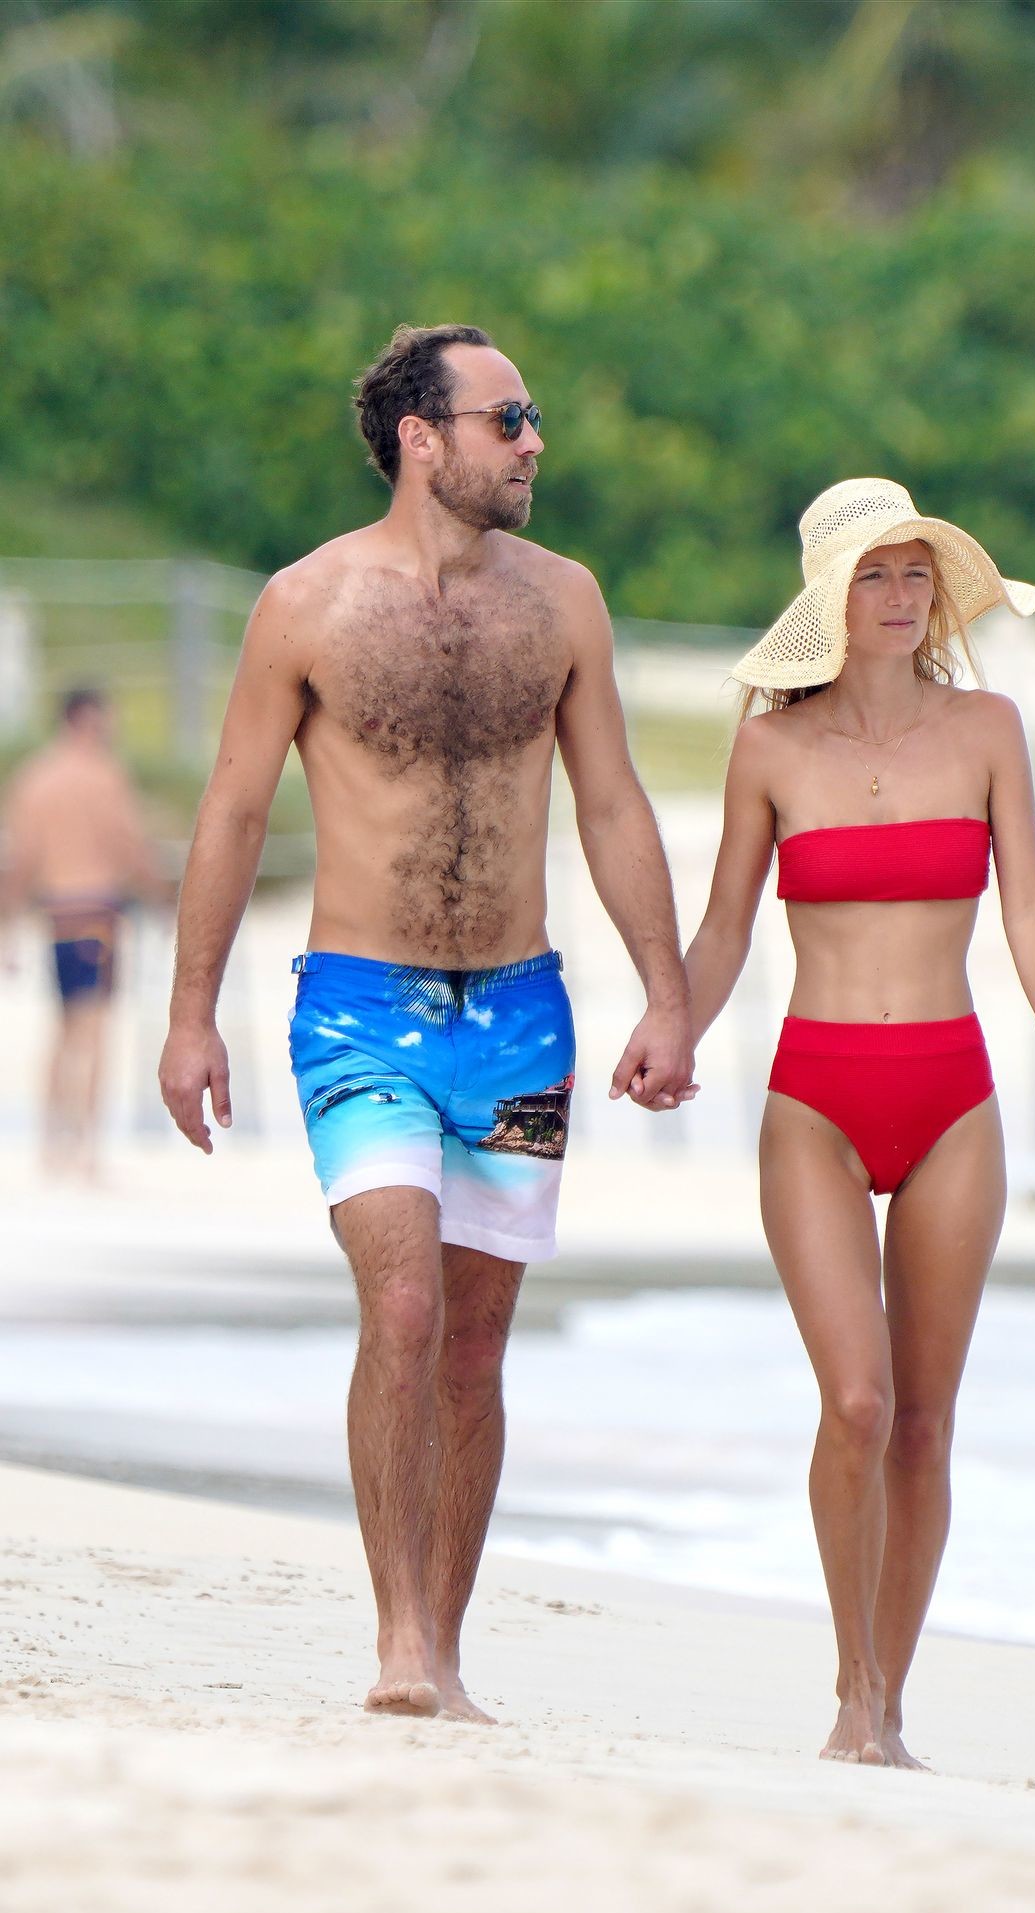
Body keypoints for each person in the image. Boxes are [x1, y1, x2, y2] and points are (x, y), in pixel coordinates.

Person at [158, 322, 695, 1722]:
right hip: (360, 1013)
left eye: (531, 419)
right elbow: (232, 808)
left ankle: (445, 1651)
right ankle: (397, 1642)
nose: (532, 443)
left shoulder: (565, 601)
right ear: (419, 437)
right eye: (506, 420)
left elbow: (611, 803)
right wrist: (190, 1014)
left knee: (473, 1345)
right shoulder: (307, 603)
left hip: (522, 1021)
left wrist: (667, 993)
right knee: (402, 1306)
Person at [683, 477, 1035, 1769]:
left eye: (917, 572)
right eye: (874, 575)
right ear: (828, 597)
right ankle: (848, 1685)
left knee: (921, 1421)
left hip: (951, 1099)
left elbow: (1028, 904)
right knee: (855, 1401)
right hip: (816, 1096)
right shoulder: (771, 750)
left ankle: (887, 1707)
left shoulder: (986, 730)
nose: (903, 596)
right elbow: (725, 926)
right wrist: (669, 1029)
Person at [0, 687, 167, 1181]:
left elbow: (20, 860)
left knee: (61, 1028)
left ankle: (50, 1142)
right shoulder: (104, 776)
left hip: (56, 914)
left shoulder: (35, 777)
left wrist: (8, 927)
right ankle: (88, 1147)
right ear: (85, 719)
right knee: (93, 1030)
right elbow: (130, 844)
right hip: (97, 914)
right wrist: (162, 897)